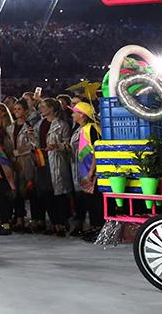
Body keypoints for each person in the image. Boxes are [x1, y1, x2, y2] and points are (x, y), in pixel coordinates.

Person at [38, 98, 73, 236]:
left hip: (57, 161)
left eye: (43, 106)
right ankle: (53, 222)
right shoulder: (39, 124)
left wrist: (57, 146)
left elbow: (68, 145)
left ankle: (62, 223)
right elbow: (37, 142)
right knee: (46, 193)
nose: (40, 108)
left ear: (51, 108)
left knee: (59, 194)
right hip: (42, 161)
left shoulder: (62, 125)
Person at [69, 102, 102, 242]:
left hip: (93, 173)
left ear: (82, 115)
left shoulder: (92, 128)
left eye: (75, 112)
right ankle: (94, 227)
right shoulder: (83, 129)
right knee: (89, 201)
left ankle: (98, 228)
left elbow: (98, 150)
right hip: (85, 172)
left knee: (96, 202)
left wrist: (90, 173)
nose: (72, 114)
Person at [7, 97, 39, 233]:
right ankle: (19, 219)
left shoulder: (30, 127)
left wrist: (19, 151)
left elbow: (34, 144)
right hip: (13, 162)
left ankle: (35, 220)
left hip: (27, 161)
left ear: (25, 111)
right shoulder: (10, 127)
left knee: (29, 190)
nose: (16, 111)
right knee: (16, 193)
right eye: (14, 109)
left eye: (19, 109)